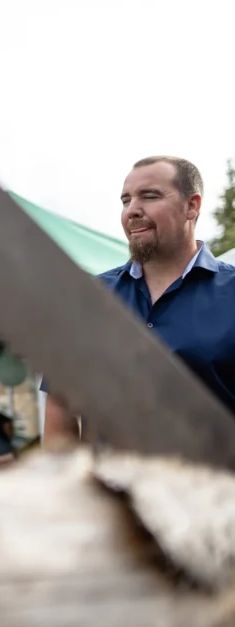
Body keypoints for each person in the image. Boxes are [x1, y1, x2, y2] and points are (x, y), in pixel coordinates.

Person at [43, 156, 235, 441]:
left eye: (150, 196)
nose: (132, 210)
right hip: (109, 484)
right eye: (125, 200)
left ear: (191, 206)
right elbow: (61, 412)